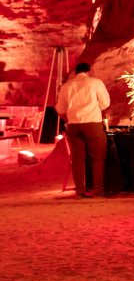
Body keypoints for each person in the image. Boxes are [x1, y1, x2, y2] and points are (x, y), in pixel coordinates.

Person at [55, 62, 111, 198]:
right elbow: (105, 103)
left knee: (77, 159)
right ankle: (97, 189)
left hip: (74, 125)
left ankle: (80, 190)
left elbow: (60, 109)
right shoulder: (95, 83)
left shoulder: (66, 86)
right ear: (89, 71)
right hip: (92, 123)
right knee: (98, 157)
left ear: (75, 72)